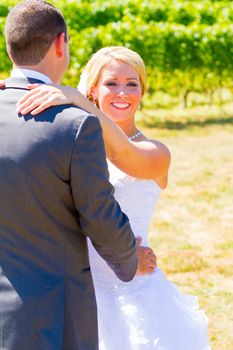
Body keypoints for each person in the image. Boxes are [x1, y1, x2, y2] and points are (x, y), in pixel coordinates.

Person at [16, 46, 211, 349]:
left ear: (142, 92)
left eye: (132, 84)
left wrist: (75, 100)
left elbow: (122, 152)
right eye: (111, 83)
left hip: (134, 292)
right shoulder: (69, 145)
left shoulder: (156, 153)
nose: (122, 92)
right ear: (94, 89)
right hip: (76, 291)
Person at [0, 2, 157, 349]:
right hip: (60, 311)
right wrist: (130, 256)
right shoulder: (74, 125)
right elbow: (100, 215)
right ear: (61, 44)